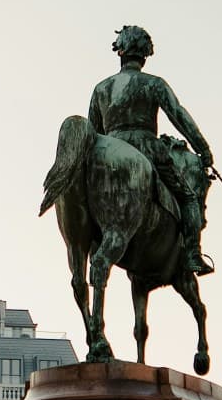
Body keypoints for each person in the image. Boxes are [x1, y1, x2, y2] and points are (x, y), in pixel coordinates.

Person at [88, 26, 215, 283]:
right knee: (189, 197)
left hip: (108, 150)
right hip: (146, 146)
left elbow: (94, 133)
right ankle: (192, 253)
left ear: (120, 52)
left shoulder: (101, 88)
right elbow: (178, 116)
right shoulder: (154, 84)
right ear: (145, 55)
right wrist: (203, 149)